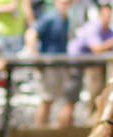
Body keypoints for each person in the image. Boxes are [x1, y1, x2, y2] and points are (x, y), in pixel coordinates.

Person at [25, 0, 71, 128]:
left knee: (56, 101)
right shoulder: (50, 17)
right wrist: (35, 57)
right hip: (48, 66)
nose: (64, 4)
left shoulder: (65, 18)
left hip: (59, 66)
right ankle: (39, 134)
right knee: (46, 100)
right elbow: (31, 34)